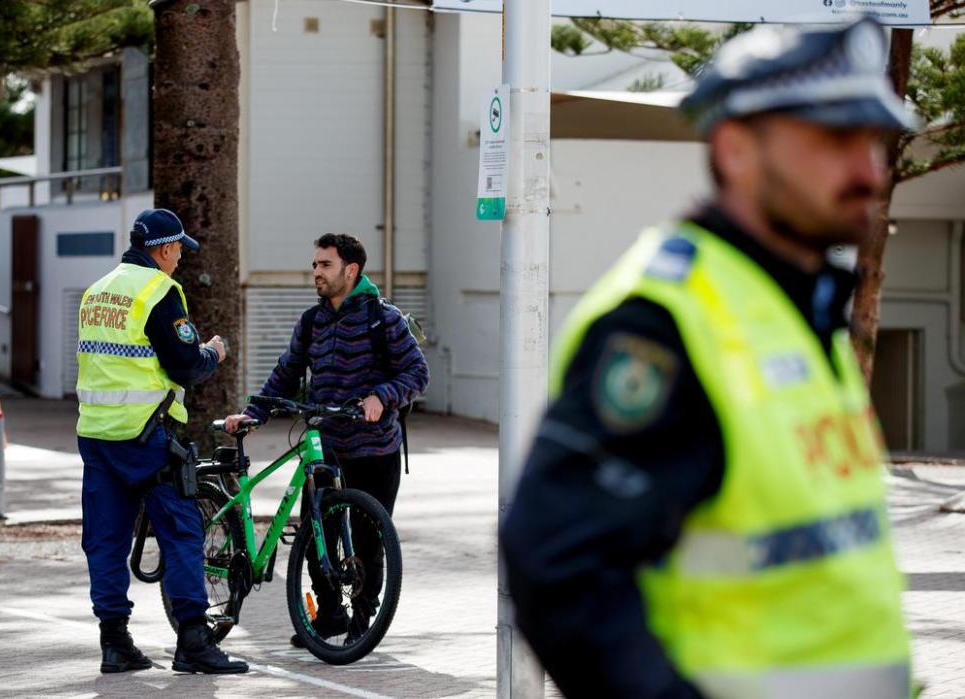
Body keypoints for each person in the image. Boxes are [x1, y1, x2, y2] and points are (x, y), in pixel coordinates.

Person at [499, 18, 916, 699]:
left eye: (873, 140)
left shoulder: (797, 305)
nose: (868, 168)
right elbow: (557, 564)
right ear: (735, 149)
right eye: (835, 138)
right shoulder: (665, 323)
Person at [223, 233, 429, 646]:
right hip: (325, 450)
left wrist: (381, 397)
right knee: (316, 536)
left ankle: (362, 625)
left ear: (350, 271)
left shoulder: (381, 318)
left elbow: (417, 374)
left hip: (374, 450)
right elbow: (286, 371)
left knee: (369, 545)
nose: (316, 272)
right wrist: (254, 413)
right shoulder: (312, 320)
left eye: (325, 265)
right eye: (315, 264)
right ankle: (331, 614)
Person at [76, 208, 248, 675]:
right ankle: (193, 640)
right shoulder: (159, 292)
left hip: (96, 434)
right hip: (146, 436)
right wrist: (212, 352)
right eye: (178, 253)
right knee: (183, 531)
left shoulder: (97, 292)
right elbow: (185, 365)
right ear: (166, 249)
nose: (179, 262)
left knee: (106, 540)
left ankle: (115, 643)